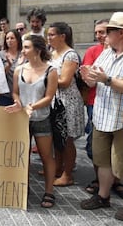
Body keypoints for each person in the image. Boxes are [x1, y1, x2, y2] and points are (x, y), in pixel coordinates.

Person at [5, 35, 58, 208]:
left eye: (26, 47)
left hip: (41, 118)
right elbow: (15, 92)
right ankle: (23, 188)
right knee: (22, 156)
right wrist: (18, 102)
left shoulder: (51, 70)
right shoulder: (19, 69)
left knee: (46, 157)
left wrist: (32, 107)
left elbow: (49, 97)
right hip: (22, 119)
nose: (23, 50)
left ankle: (49, 192)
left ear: (38, 49)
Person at [79, 12, 123, 221]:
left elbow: (110, 81)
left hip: (121, 119)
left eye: (109, 32)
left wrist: (106, 79)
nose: (105, 36)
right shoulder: (106, 53)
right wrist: (87, 76)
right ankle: (103, 196)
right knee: (102, 159)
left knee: (122, 163)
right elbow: (94, 81)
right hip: (102, 115)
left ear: (120, 34)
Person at [48, 22, 85, 186]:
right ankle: (57, 167)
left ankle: (67, 174)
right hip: (55, 100)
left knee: (68, 139)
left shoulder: (70, 55)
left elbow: (64, 81)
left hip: (68, 102)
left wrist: (45, 79)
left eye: (51, 35)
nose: (48, 38)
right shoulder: (52, 52)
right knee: (57, 137)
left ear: (62, 36)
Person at [82, 19, 112, 194]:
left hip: (116, 106)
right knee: (94, 146)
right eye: (97, 32)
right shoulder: (94, 51)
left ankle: (114, 181)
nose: (99, 36)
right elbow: (89, 80)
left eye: (102, 32)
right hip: (95, 103)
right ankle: (100, 179)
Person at [0, 29, 25, 106]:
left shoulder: (24, 54)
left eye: (12, 38)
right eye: (7, 38)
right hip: (5, 95)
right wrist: (8, 66)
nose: (9, 40)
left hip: (22, 94)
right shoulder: (0, 55)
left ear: (18, 40)